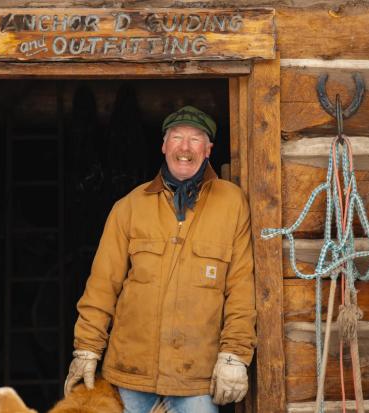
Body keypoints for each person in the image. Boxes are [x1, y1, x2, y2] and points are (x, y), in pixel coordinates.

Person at [64, 106, 256, 412]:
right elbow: (103, 284)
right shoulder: (129, 206)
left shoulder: (232, 204)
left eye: (195, 139)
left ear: (208, 150)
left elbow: (242, 287)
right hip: (131, 374)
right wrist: (86, 349)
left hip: (197, 377)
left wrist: (234, 355)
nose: (184, 147)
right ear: (164, 146)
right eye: (177, 138)